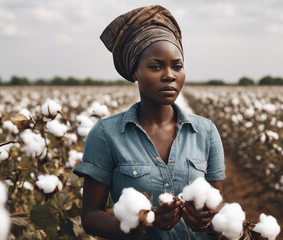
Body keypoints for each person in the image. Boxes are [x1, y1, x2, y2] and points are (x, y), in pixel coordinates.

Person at [72, 5, 226, 240]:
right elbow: (91, 216)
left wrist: (206, 218)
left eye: (177, 66)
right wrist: (145, 222)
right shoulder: (105, 134)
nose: (169, 75)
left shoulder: (205, 131)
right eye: (156, 66)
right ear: (134, 72)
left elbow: (217, 206)